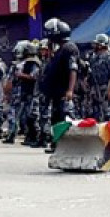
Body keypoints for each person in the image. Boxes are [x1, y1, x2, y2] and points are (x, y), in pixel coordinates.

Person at [39, 19, 80, 152]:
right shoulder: (60, 50)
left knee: (65, 119)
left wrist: (70, 90)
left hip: (64, 93)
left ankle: (68, 145)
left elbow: (73, 69)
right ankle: (57, 144)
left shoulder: (69, 48)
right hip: (56, 93)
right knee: (56, 119)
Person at [87, 34, 110, 122]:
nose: (94, 46)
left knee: (108, 114)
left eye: (96, 44)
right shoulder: (93, 58)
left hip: (105, 88)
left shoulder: (109, 58)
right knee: (96, 114)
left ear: (101, 45)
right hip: (95, 89)